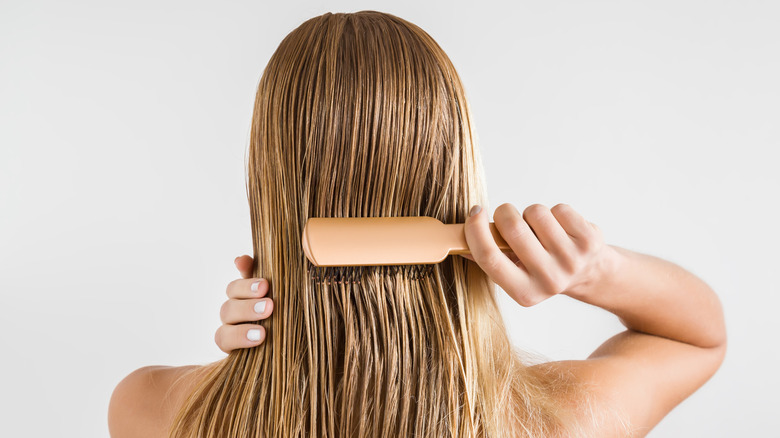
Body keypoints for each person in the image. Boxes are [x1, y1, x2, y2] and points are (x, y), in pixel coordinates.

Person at [108, 10, 726, 438]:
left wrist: (246, 356)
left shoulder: (153, 412)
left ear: (270, 188)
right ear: (455, 171)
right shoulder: (556, 422)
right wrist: (593, 269)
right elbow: (698, 337)